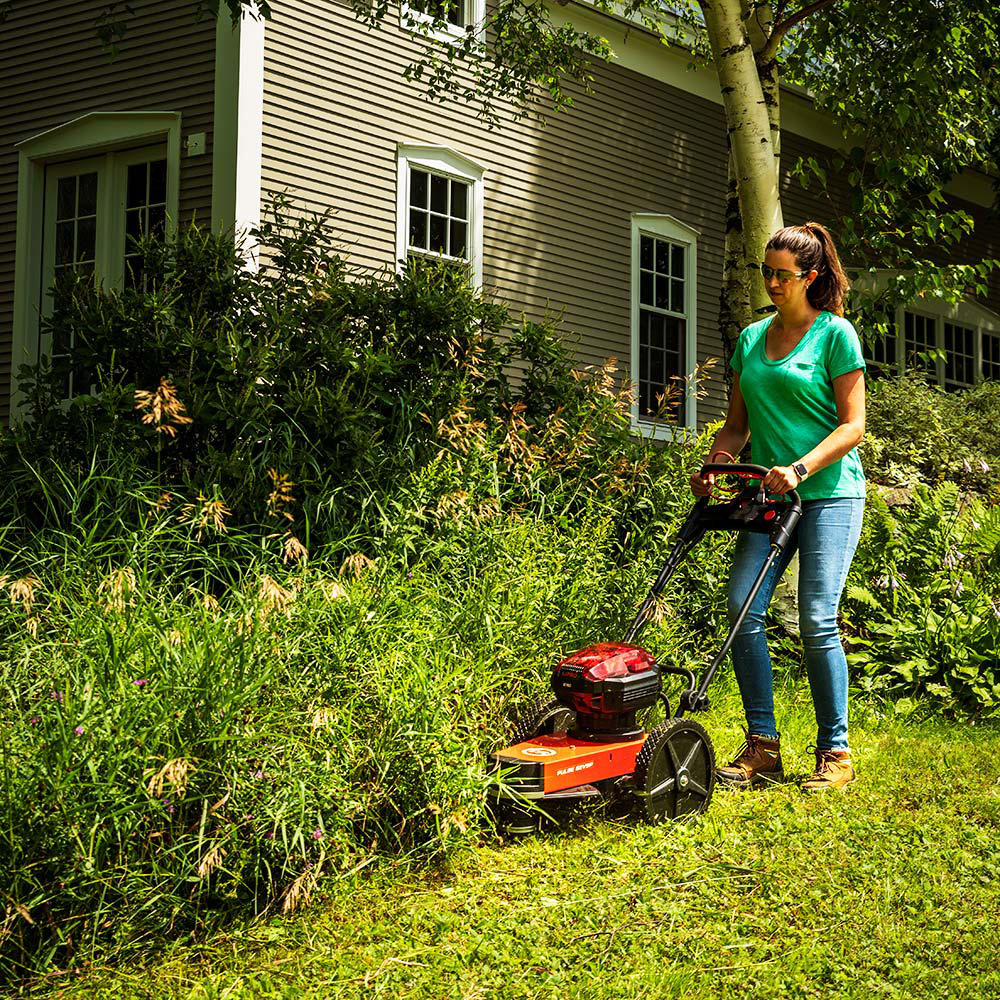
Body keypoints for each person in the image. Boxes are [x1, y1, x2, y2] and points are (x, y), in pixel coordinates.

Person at [690, 221, 866, 793]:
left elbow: (853, 426)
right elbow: (738, 426)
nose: (771, 282)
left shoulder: (836, 336)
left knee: (816, 617)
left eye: (782, 274)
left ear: (810, 277)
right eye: (765, 271)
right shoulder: (749, 339)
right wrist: (717, 464)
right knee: (743, 609)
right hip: (769, 497)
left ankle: (834, 752)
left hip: (829, 492)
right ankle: (763, 746)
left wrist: (799, 468)